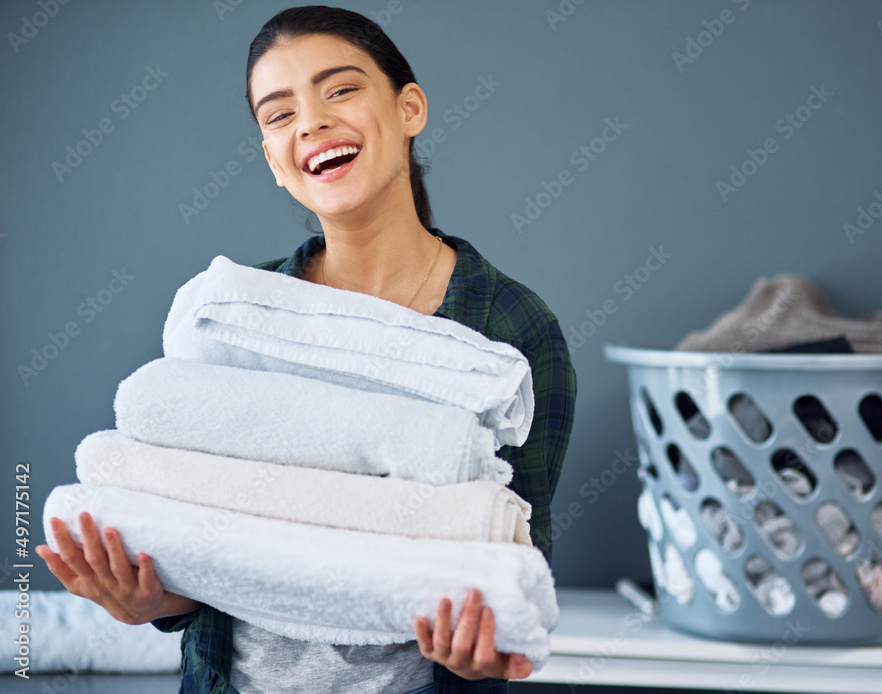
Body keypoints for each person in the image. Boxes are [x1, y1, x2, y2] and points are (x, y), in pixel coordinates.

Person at [36, 6, 575, 693]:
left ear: (410, 108)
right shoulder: (231, 315)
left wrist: (486, 649)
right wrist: (154, 601)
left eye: (340, 89)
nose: (312, 122)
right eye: (279, 113)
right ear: (274, 162)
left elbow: (522, 568)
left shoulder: (509, 331)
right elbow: (207, 531)